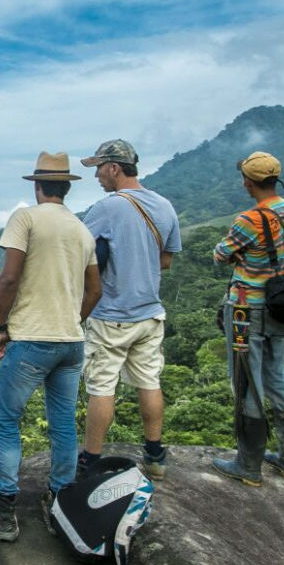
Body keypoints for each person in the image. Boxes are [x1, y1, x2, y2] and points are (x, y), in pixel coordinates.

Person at [0, 151, 101, 542]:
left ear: (37, 186)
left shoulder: (26, 218)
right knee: (63, 423)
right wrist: (72, 320)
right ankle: (61, 502)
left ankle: (2, 513)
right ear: (66, 187)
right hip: (71, 343)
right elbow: (95, 290)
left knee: (3, 419)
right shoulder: (82, 230)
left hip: (32, 340)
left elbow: (9, 279)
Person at [76, 139, 182, 480]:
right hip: (150, 313)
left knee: (102, 386)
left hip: (112, 315)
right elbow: (166, 261)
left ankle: (91, 460)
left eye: (98, 168)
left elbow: (79, 255)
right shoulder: (164, 206)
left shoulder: (107, 208)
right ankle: (155, 455)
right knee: (149, 381)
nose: (96, 176)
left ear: (114, 167)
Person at [212, 151, 284, 486]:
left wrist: (241, 255)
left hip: (245, 310)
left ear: (248, 182)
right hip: (281, 305)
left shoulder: (248, 219)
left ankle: (248, 465)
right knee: (277, 377)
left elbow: (220, 253)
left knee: (246, 381)